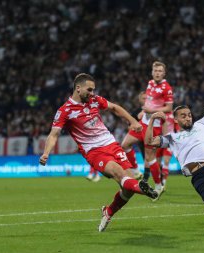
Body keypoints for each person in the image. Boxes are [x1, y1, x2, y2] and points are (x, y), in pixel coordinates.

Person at [39, 73, 158, 232]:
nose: (92, 93)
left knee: (128, 188)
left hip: (112, 145)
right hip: (95, 152)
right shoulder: (65, 111)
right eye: (89, 89)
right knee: (119, 174)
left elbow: (115, 107)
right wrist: (46, 153)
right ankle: (145, 189)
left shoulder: (95, 100)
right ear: (78, 88)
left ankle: (108, 211)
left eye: (94, 90)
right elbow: (54, 134)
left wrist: (133, 121)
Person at [145, 62, 204, 225]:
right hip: (198, 178)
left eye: (189, 114)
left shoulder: (201, 124)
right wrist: (152, 119)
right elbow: (149, 141)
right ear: (175, 119)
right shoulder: (172, 138)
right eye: (183, 116)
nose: (188, 117)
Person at [121, 61, 174, 200]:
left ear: (164, 73)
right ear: (152, 72)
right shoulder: (150, 83)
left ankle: (158, 185)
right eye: (155, 70)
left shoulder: (166, 88)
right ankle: (136, 171)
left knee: (150, 158)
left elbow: (168, 108)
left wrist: (152, 111)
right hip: (143, 122)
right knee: (125, 145)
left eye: (160, 71)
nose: (157, 73)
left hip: (154, 126)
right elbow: (148, 103)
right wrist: (143, 112)